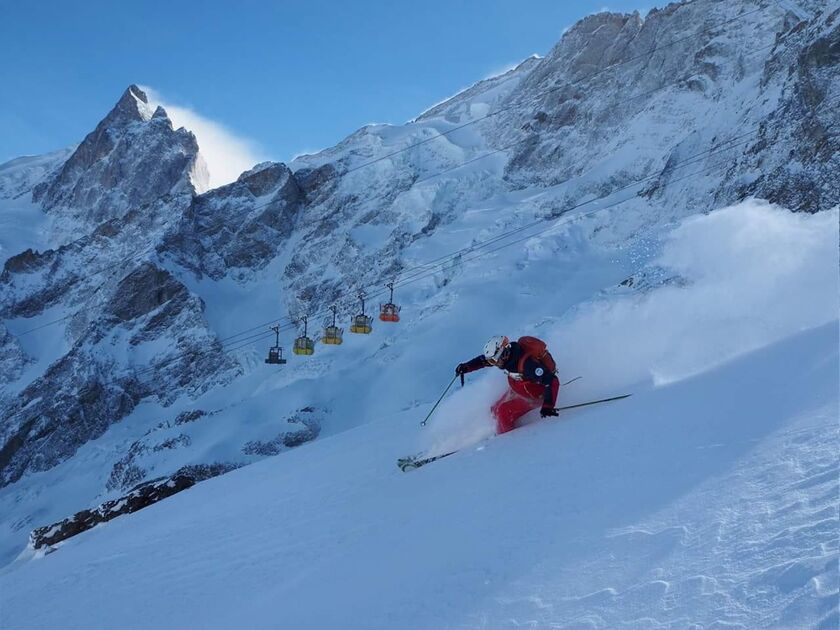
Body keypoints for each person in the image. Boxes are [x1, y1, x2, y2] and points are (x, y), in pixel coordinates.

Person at [456, 335, 560, 434]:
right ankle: (495, 430)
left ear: (504, 353)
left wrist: (548, 405)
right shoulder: (505, 358)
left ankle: (506, 440)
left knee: (503, 412)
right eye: (492, 361)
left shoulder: (527, 365)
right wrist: (467, 367)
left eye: (494, 361)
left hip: (533, 397)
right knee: (494, 408)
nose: (493, 364)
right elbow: (483, 361)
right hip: (519, 388)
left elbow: (552, 380)